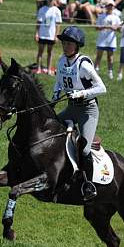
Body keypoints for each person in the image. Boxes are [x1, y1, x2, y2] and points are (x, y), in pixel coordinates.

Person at [52, 26, 106, 201]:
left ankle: (88, 184)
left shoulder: (83, 65)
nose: (65, 46)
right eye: (64, 42)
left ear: (77, 46)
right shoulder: (61, 61)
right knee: (49, 130)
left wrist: (81, 93)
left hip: (87, 110)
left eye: (69, 43)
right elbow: (59, 82)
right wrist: (53, 98)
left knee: (84, 149)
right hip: (70, 108)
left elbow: (102, 88)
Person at [35, 0, 62, 74]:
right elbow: (38, 23)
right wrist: (36, 33)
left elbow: (58, 24)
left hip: (51, 35)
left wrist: (56, 35)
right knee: (40, 51)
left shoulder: (57, 10)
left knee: (50, 52)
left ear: (54, 0)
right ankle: (39, 68)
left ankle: (49, 69)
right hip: (42, 34)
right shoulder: (42, 9)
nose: (50, 1)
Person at [94, 0, 119, 78]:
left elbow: (119, 28)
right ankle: (95, 71)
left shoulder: (116, 17)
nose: (110, 7)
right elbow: (97, 27)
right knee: (99, 56)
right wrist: (105, 27)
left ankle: (110, 72)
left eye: (111, 6)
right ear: (106, 7)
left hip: (111, 40)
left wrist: (115, 28)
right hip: (102, 39)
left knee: (110, 57)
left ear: (113, 7)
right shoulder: (101, 16)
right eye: (108, 6)